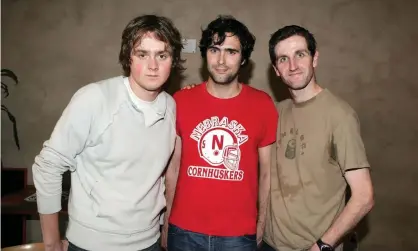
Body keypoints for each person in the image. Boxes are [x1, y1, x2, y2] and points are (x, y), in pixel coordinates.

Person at [32, 14, 184, 251]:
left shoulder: (171, 106)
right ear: (128, 57)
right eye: (142, 54)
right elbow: (48, 165)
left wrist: (164, 226)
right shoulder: (95, 98)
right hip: (92, 245)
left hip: (149, 242)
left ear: (172, 61)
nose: (153, 66)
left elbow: (160, 175)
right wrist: (51, 242)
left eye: (162, 55)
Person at [161, 15, 278, 251]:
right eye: (214, 49)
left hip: (238, 235)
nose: (221, 60)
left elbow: (268, 174)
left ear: (243, 58)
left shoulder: (262, 104)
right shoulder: (181, 101)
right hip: (183, 231)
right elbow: (172, 169)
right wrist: (166, 224)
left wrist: (261, 225)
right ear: (205, 54)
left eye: (231, 52)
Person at [260, 25, 374, 251]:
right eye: (283, 59)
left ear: (315, 58)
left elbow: (364, 196)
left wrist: (322, 246)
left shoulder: (340, 115)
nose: (292, 66)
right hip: (269, 244)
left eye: (300, 54)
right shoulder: (275, 112)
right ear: (276, 69)